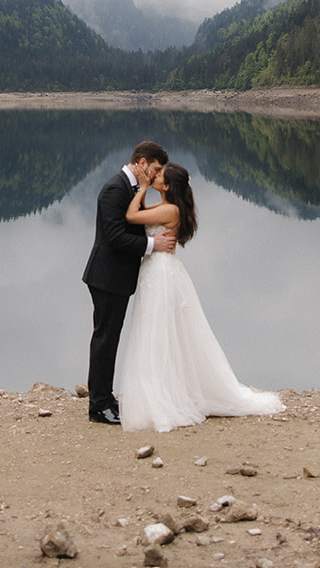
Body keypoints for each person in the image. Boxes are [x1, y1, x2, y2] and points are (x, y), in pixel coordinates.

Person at [113, 162, 285, 432]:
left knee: (158, 332)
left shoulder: (170, 209)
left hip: (160, 274)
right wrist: (146, 191)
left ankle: (164, 394)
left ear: (167, 186)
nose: (155, 176)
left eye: (159, 176)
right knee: (160, 332)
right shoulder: (167, 207)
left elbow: (132, 216)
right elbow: (145, 213)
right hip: (158, 272)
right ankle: (164, 390)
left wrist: (142, 187)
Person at [82, 140, 175, 425]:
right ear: (143, 162)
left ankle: (106, 398)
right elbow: (113, 236)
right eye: (156, 168)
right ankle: (98, 405)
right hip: (107, 276)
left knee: (110, 338)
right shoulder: (115, 188)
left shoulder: (133, 188)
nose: (159, 174)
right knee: (105, 338)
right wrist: (152, 244)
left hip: (117, 276)